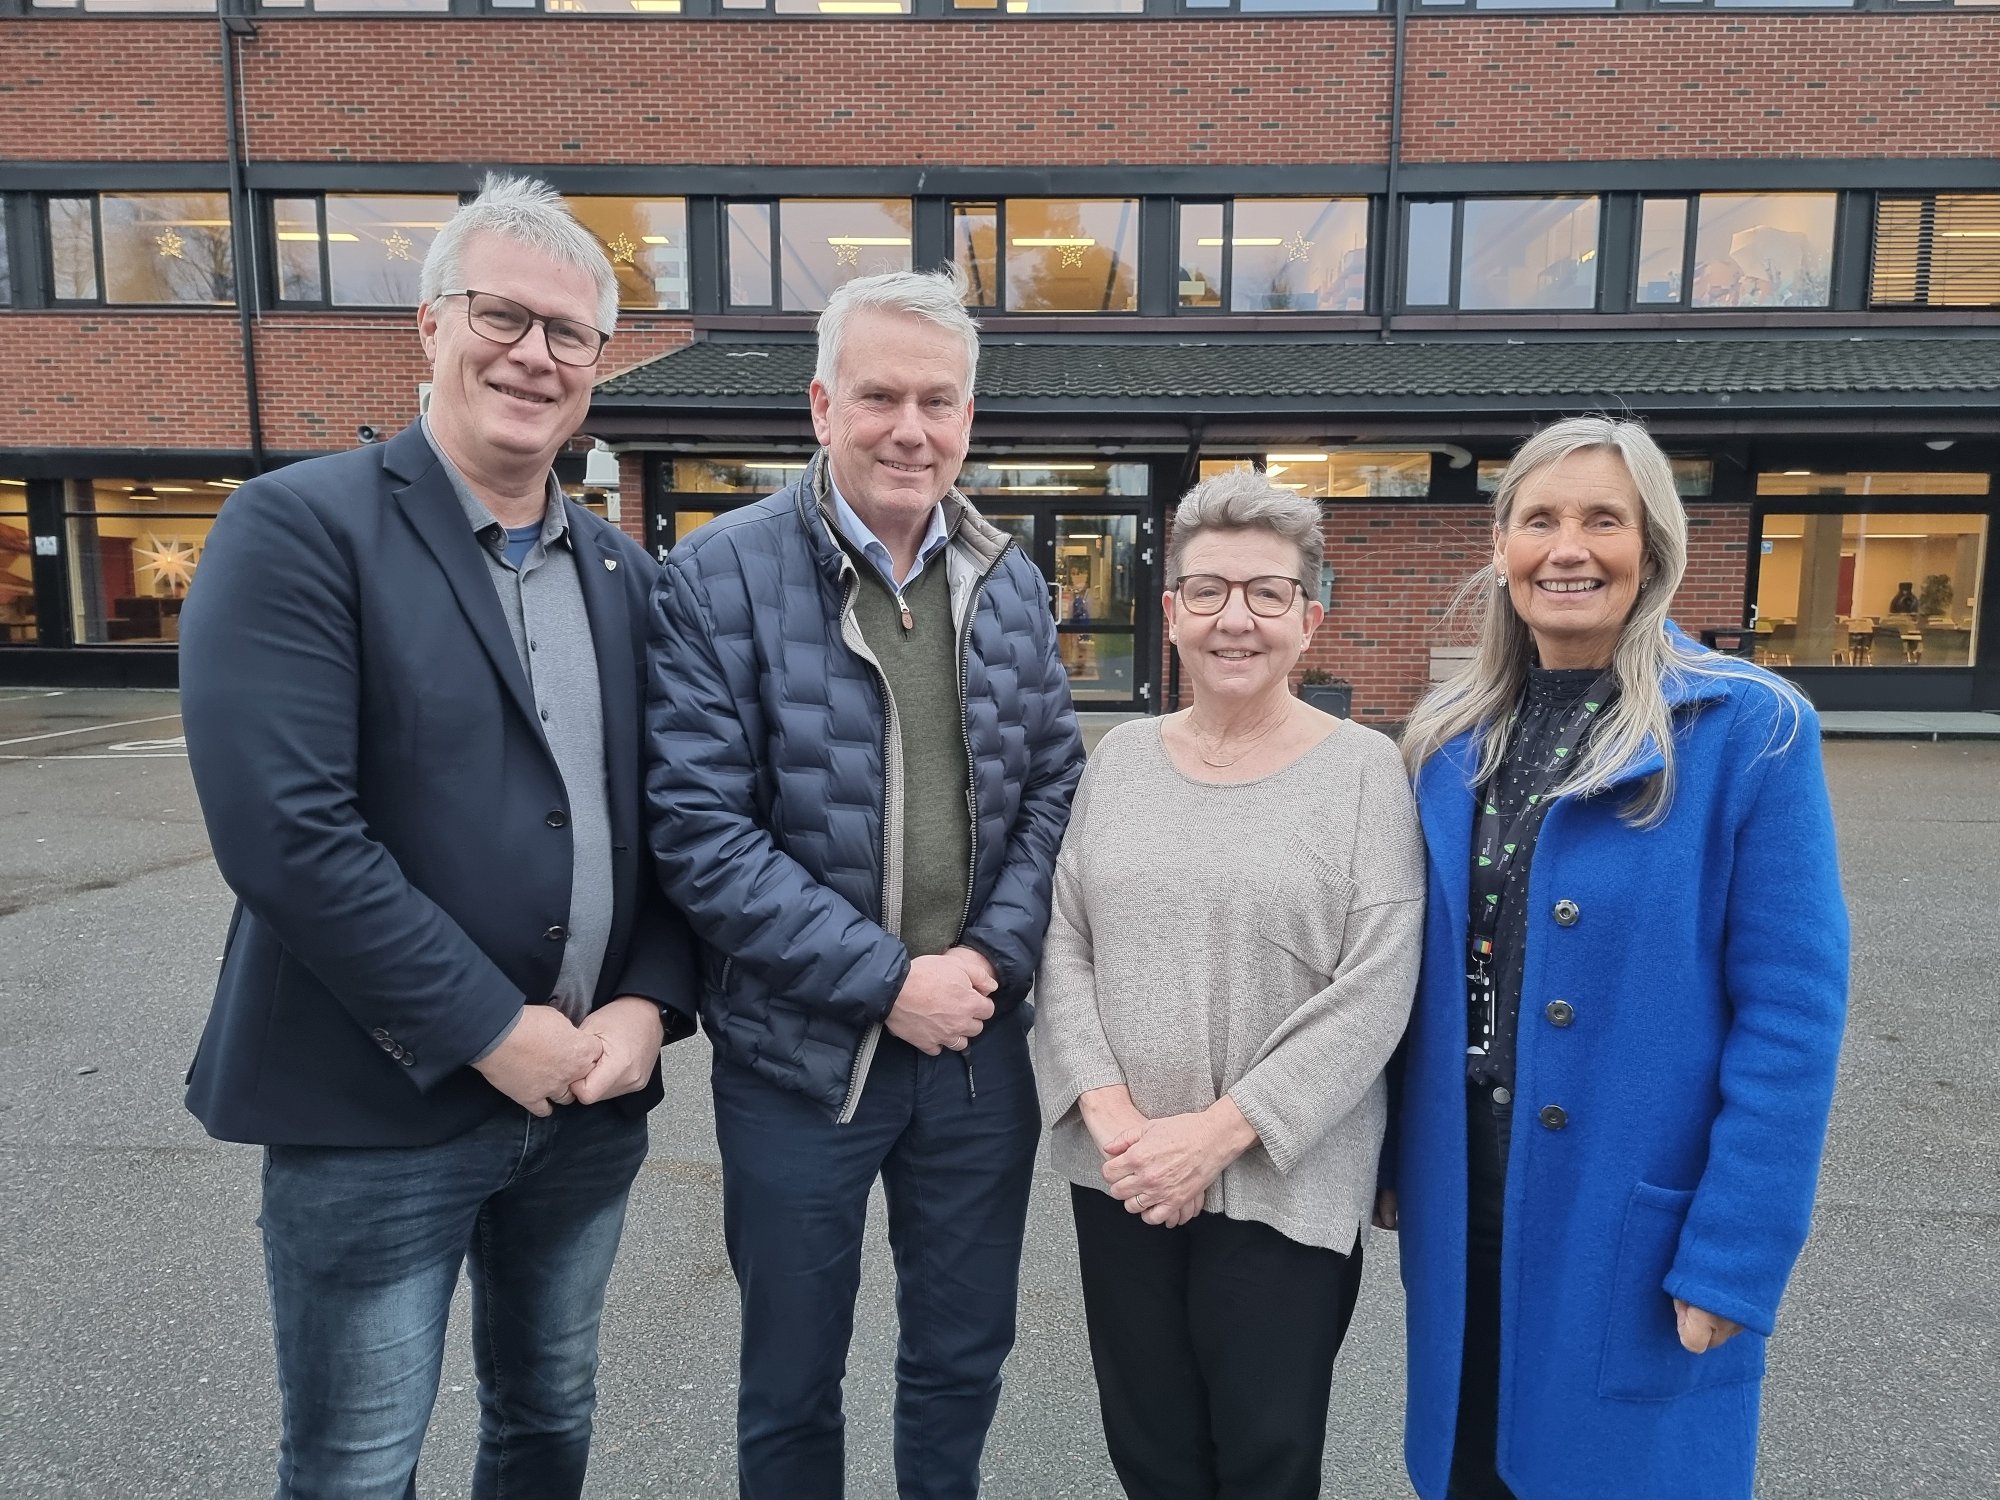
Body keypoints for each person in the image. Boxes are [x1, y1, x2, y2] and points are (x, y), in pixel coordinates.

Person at [178, 175, 699, 1500]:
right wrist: (485, 1027)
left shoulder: (626, 577)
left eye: (568, 332)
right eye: (501, 315)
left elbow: (677, 823)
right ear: (430, 323)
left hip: (585, 1102)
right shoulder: (300, 529)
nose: (533, 355)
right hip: (376, 1106)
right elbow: (288, 832)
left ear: (597, 364)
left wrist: (649, 1001)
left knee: (548, 1418)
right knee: (360, 1462)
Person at [644, 268, 1085, 1500]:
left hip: (974, 1052)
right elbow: (698, 833)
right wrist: (890, 982)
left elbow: (1055, 782)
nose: (909, 429)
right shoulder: (718, 575)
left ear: (966, 418)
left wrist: (989, 960)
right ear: (821, 406)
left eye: (936, 401)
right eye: (879, 396)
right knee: (791, 1378)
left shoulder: (1006, 576)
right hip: (801, 1060)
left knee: (960, 1358)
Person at [1383, 415, 1849, 1500]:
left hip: (1633, 1211)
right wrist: (1393, 1152)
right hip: (1463, 1193)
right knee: (1472, 1466)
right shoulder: (1447, 741)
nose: (1568, 549)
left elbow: (1790, 1014)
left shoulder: (1747, 729)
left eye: (1603, 520)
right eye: (1539, 520)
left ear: (1652, 547)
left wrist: (1733, 1251)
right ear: (1501, 547)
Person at [1033, 470, 1424, 1500]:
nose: (1234, 619)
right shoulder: (1119, 759)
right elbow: (1062, 939)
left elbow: (1376, 986)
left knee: (1264, 1454)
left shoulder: (1364, 772)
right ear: (1170, 614)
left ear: (1308, 620)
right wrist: (1109, 1113)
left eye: (1265, 593)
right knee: (1150, 1449)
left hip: (1282, 1183)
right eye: (1207, 592)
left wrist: (1214, 1136)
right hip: (1123, 1173)